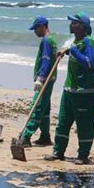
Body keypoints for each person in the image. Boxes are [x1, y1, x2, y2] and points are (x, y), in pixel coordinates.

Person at [44, 12, 94, 165]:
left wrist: (71, 51)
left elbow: (88, 63)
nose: (70, 25)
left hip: (83, 92)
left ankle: (83, 155)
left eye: (74, 22)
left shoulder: (88, 42)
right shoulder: (74, 42)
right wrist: (66, 52)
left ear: (82, 26)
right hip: (69, 90)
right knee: (63, 122)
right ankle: (58, 152)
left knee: (84, 125)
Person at [20, 16, 58, 147]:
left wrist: (40, 78)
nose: (35, 31)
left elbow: (46, 60)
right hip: (51, 78)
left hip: (45, 79)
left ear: (42, 26)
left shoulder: (47, 41)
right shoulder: (51, 40)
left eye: (36, 29)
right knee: (45, 108)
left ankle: (26, 136)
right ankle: (45, 136)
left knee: (37, 107)